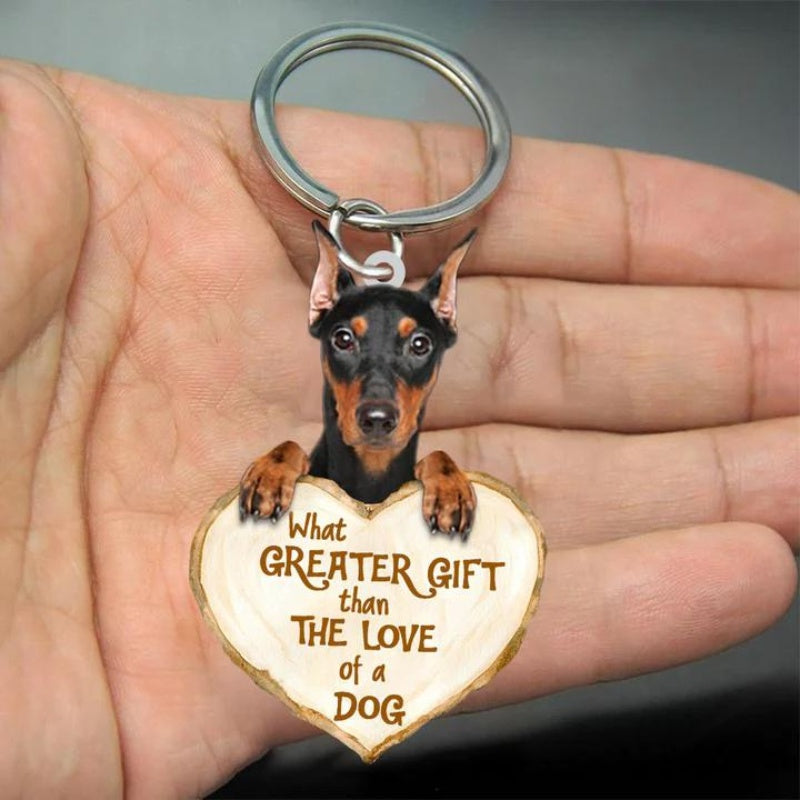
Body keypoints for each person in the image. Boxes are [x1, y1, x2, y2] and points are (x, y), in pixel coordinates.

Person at [0, 59, 797, 799]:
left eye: (416, 350)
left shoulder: (440, 474)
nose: (378, 394)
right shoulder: (287, 467)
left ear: (445, 321)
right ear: (321, 312)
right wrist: (287, 456)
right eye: (347, 344)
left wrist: (441, 468)